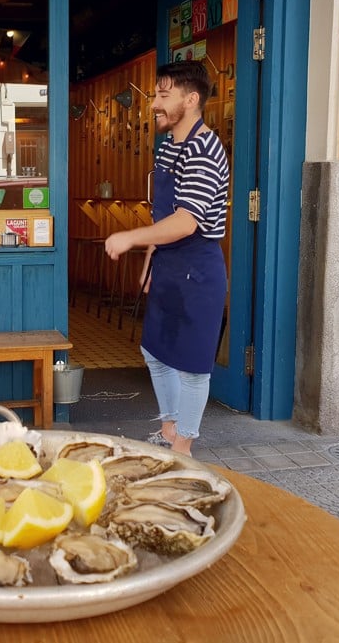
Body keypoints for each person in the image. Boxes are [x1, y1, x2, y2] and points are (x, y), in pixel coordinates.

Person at [104, 60, 229, 457]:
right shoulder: (169, 147)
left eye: (163, 95)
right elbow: (164, 216)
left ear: (191, 99)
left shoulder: (205, 149)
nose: (154, 104)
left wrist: (129, 238)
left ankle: (184, 447)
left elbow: (185, 222)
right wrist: (149, 266)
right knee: (154, 351)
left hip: (197, 267)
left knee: (193, 365)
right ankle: (170, 428)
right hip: (169, 265)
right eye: (155, 95)